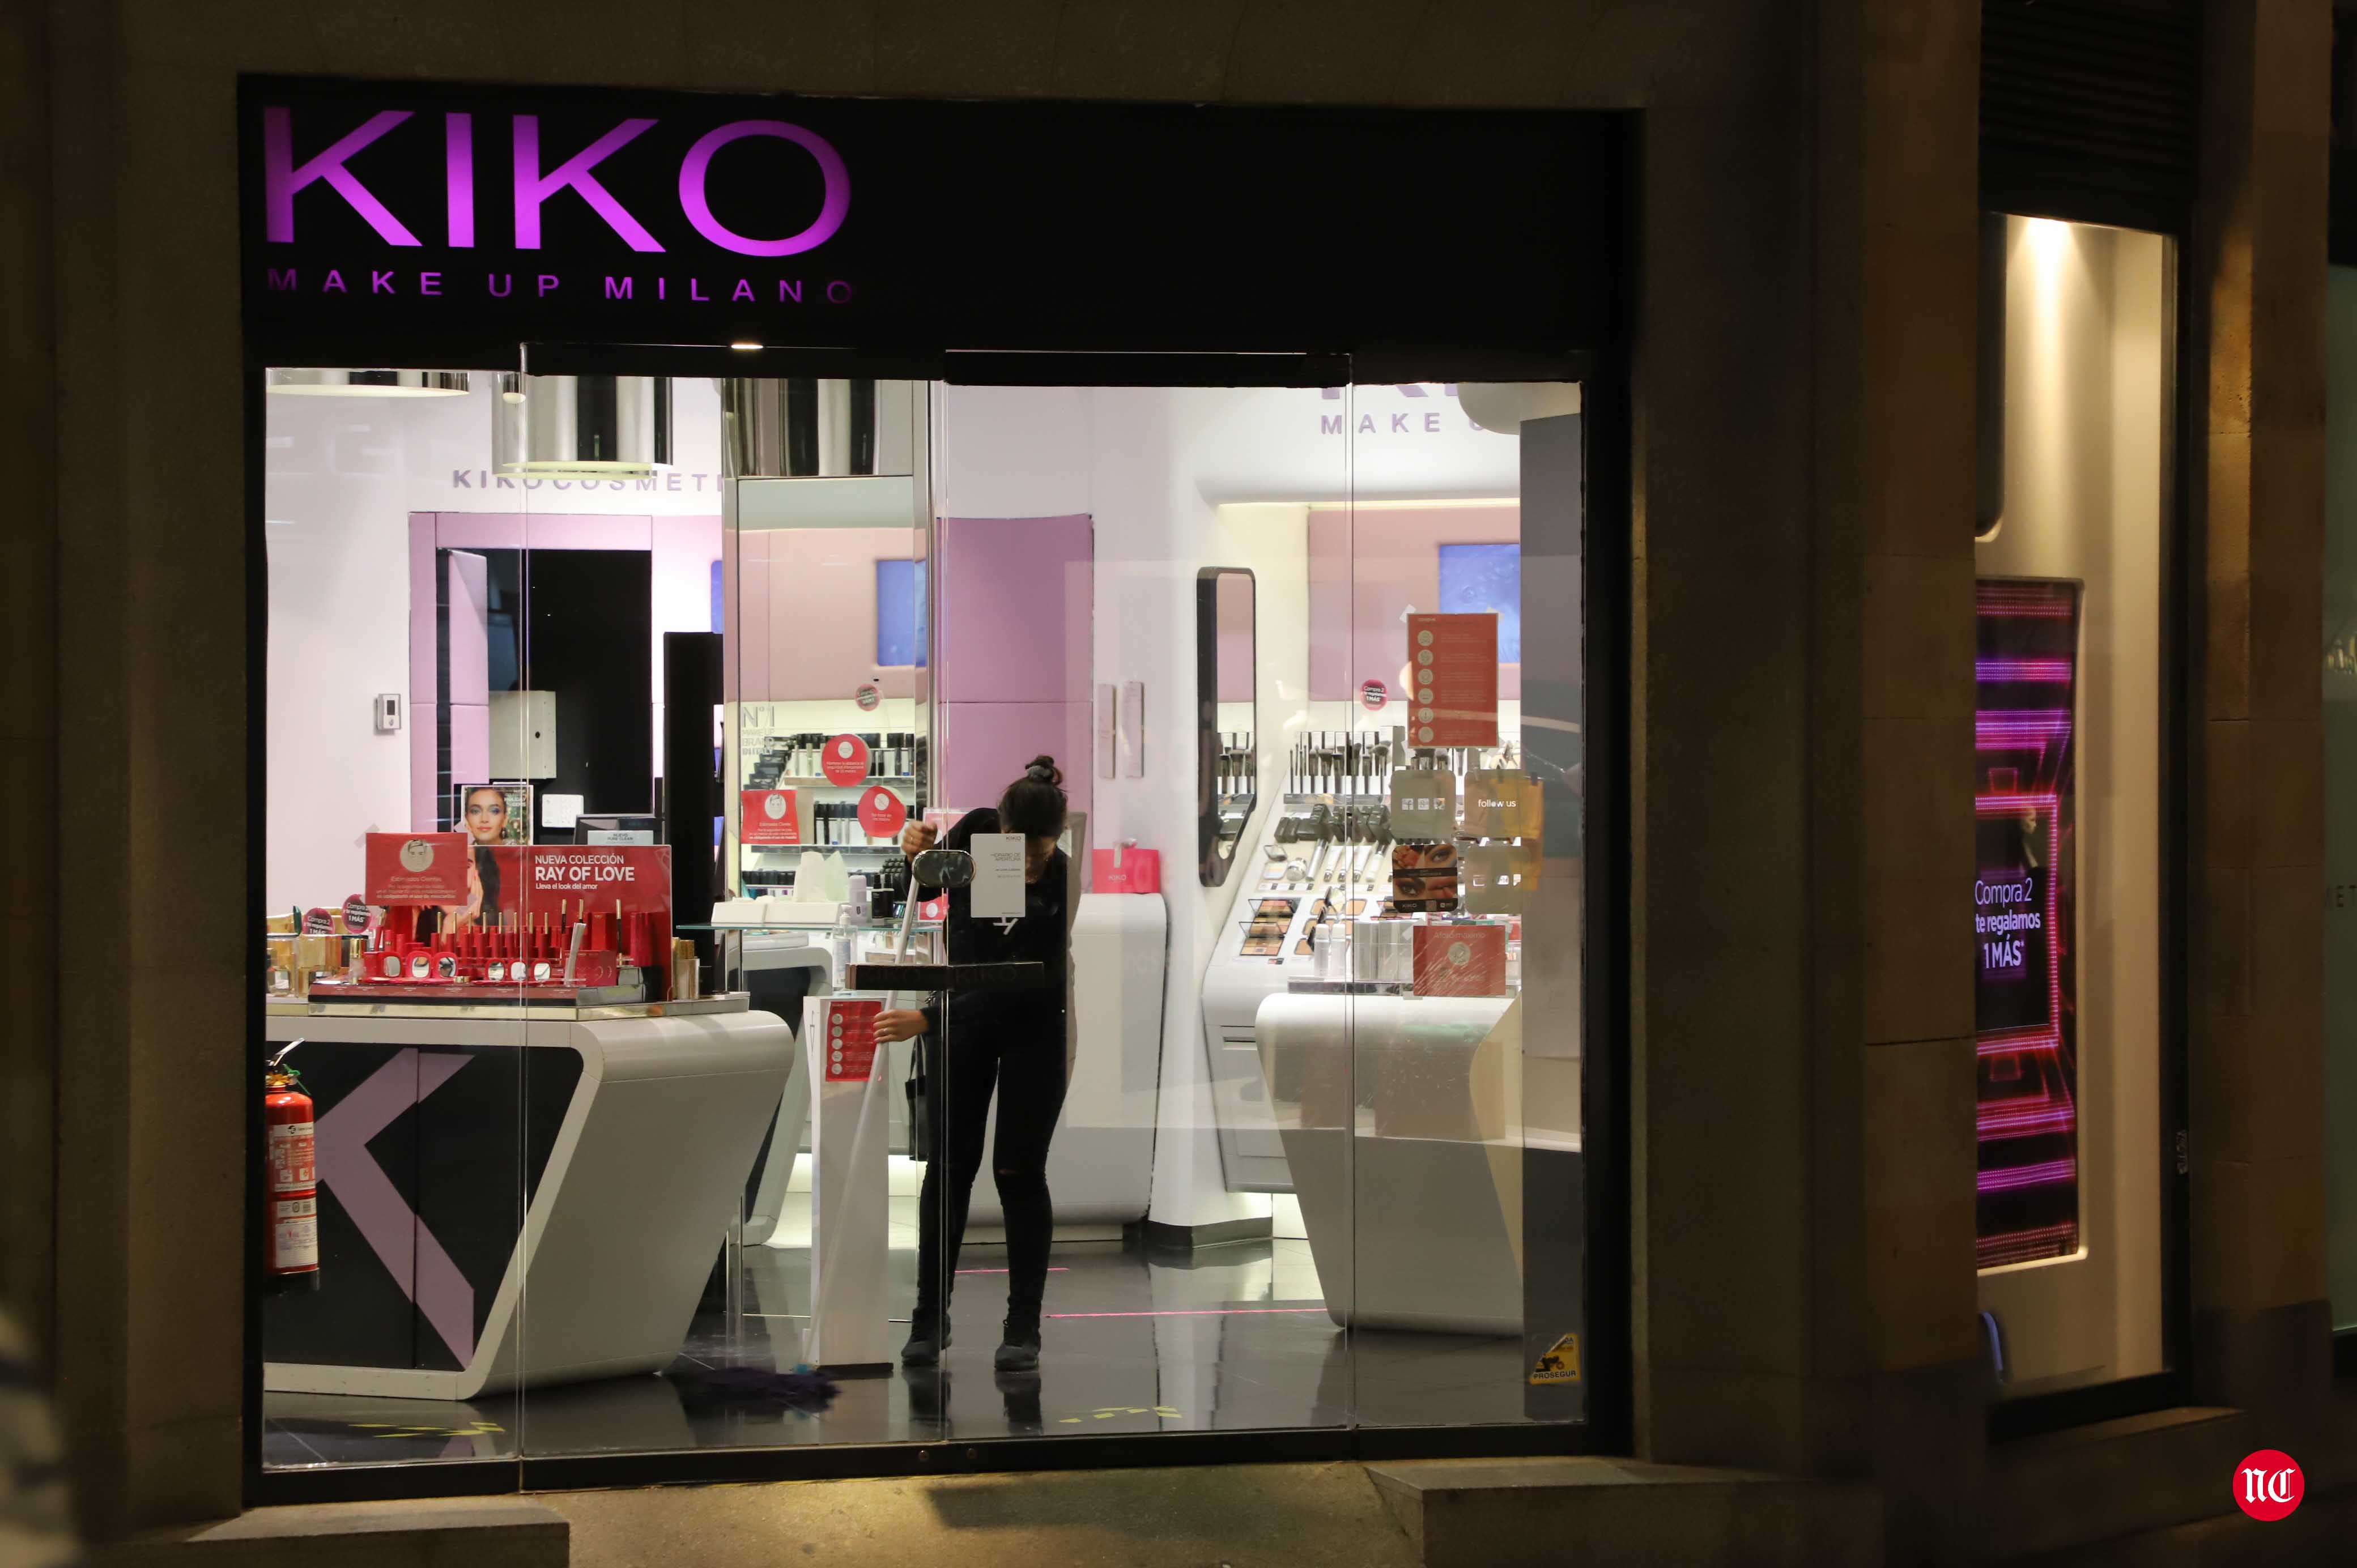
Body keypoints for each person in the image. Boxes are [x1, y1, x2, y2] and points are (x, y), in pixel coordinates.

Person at [875, 756, 1071, 1373]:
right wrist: (912, 850)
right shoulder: (975, 834)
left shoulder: (1063, 876)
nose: (1031, 862)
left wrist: (927, 1019)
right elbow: (923, 884)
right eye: (1021, 848)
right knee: (950, 1167)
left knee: (1017, 1172)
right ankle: (930, 1318)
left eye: (1043, 850)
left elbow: (1023, 980)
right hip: (965, 1025)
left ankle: (1023, 1327)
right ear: (1003, 826)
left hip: (1032, 1029)